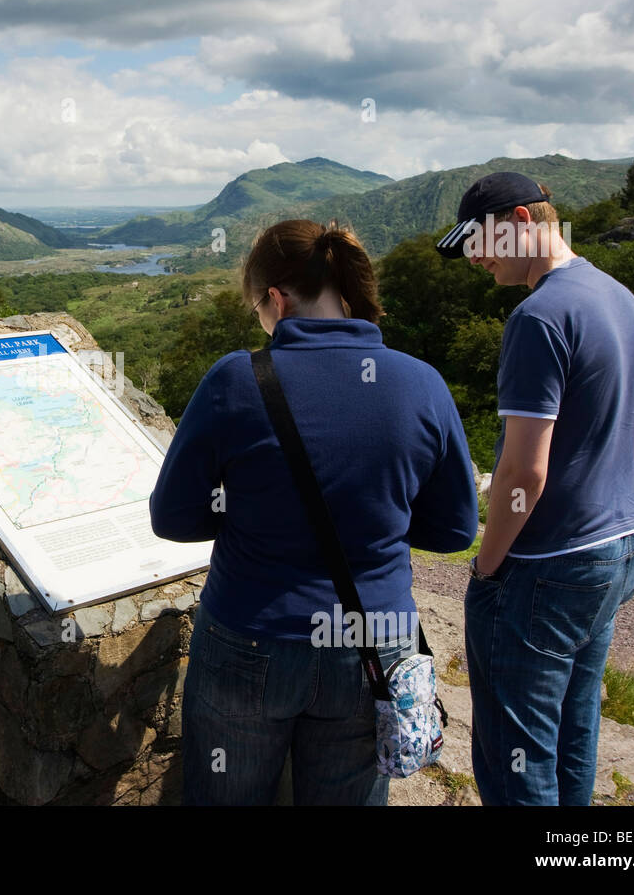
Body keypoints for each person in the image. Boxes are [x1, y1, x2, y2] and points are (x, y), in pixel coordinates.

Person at [150, 219, 478, 806]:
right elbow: (455, 529)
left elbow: (173, 516)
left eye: (258, 306)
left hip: (251, 636)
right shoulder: (421, 384)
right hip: (376, 645)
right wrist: (380, 524)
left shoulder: (236, 380)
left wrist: (249, 520)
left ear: (276, 297)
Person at [436, 172, 634, 805]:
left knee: (517, 754)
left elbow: (523, 472)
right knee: (572, 732)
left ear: (523, 223)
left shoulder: (538, 317)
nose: (475, 257)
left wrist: (488, 565)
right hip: (618, 545)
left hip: (546, 562)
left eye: (480, 240)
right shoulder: (619, 298)